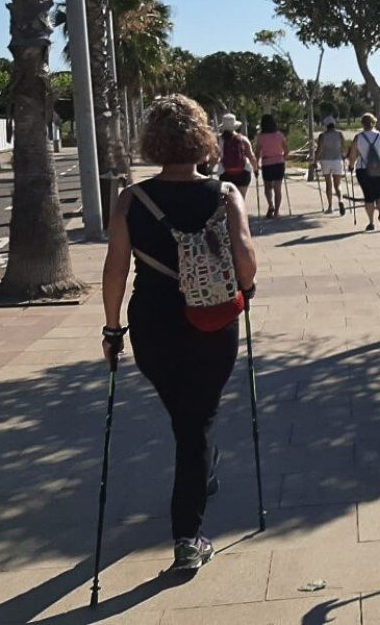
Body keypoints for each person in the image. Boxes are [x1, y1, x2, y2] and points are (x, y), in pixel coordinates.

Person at [101, 94, 258, 571]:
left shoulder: (133, 199)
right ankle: (187, 536)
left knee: (186, 416)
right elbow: (246, 255)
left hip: (153, 323)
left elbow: (114, 270)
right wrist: (246, 291)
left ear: (153, 141)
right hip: (213, 319)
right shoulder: (225, 194)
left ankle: (199, 467)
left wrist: (113, 330)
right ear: (202, 140)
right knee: (198, 419)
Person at [346, 113, 380, 231]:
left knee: (368, 197)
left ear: (362, 124)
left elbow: (353, 155)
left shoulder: (359, 137)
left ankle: (371, 222)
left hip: (363, 170)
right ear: (374, 123)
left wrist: (351, 166)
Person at [254, 114, 288, 218]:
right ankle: (277, 211)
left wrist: (255, 166)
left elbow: (257, 153)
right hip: (279, 162)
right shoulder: (279, 135)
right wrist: (283, 157)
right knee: (278, 188)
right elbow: (286, 150)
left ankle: (271, 205)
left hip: (267, 163)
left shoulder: (260, 137)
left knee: (267, 187)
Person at [217, 113, 258, 199]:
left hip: (225, 174)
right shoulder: (243, 139)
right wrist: (255, 170)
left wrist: (210, 168)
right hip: (243, 173)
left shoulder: (219, 140)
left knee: (225, 199)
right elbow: (251, 157)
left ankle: (227, 212)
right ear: (235, 126)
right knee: (241, 199)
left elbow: (215, 156)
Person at [315, 116, 347, 215]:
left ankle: (330, 207)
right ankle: (340, 200)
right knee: (338, 184)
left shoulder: (322, 136)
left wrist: (315, 161)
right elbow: (344, 148)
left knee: (328, 184)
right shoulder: (340, 134)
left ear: (326, 125)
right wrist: (344, 156)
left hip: (325, 161)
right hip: (337, 160)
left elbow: (319, 150)